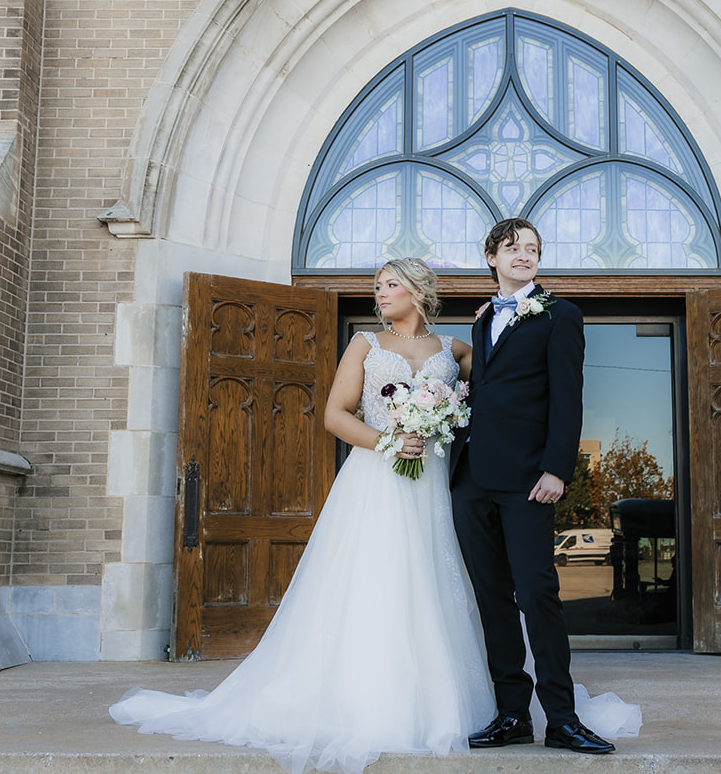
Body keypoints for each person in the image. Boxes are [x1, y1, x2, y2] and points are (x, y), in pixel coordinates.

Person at [109, 258, 495, 772]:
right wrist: (389, 440)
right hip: (377, 478)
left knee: (428, 575)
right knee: (373, 580)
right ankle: (365, 700)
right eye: (376, 286)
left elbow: (489, 392)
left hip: (430, 482)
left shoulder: (456, 350)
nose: (380, 294)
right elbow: (335, 414)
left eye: (391, 285)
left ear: (419, 291)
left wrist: (490, 328)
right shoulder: (365, 344)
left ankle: (440, 698)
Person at [451, 218, 623, 755]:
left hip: (529, 479)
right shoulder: (481, 321)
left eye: (533, 249)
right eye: (513, 248)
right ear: (491, 258)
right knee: (491, 597)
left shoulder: (560, 315)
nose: (524, 256)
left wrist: (557, 469)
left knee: (538, 593)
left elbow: (568, 398)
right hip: (471, 477)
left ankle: (562, 718)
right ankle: (511, 715)